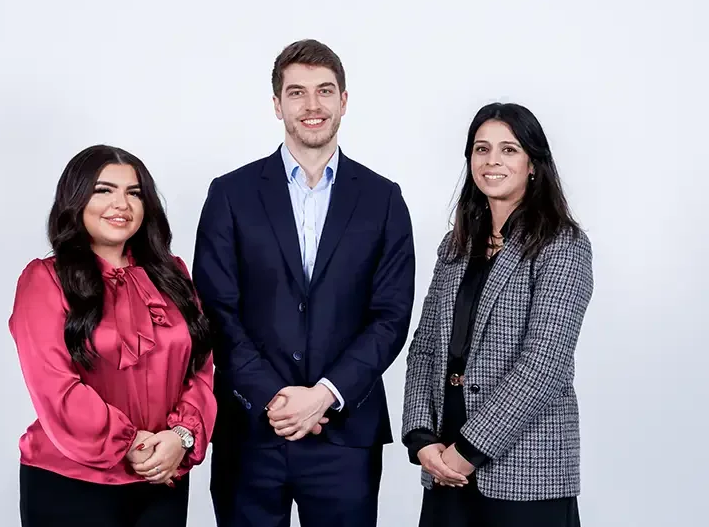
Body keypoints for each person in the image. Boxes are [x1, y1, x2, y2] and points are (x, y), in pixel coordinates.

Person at [192, 39, 416, 527]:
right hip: (251, 431)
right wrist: (274, 397)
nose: (312, 106)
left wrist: (324, 395)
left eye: (324, 91)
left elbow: (391, 316)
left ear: (344, 101)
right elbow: (214, 310)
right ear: (277, 104)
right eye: (297, 93)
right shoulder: (230, 194)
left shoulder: (384, 200)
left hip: (345, 434)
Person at [401, 102, 593, 527]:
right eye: (481, 149)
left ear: (533, 164)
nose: (492, 161)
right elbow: (425, 347)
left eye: (508, 150)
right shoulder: (456, 245)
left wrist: (468, 451)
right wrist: (421, 439)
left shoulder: (562, 245)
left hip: (525, 471)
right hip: (443, 463)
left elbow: (543, 366)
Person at [9, 145, 216, 527]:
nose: (121, 204)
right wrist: (133, 444)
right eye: (103, 190)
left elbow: (200, 370)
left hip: (163, 477)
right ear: (75, 199)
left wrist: (180, 437)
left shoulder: (172, 274)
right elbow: (56, 389)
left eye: (133, 193)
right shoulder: (45, 280)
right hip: (71, 481)